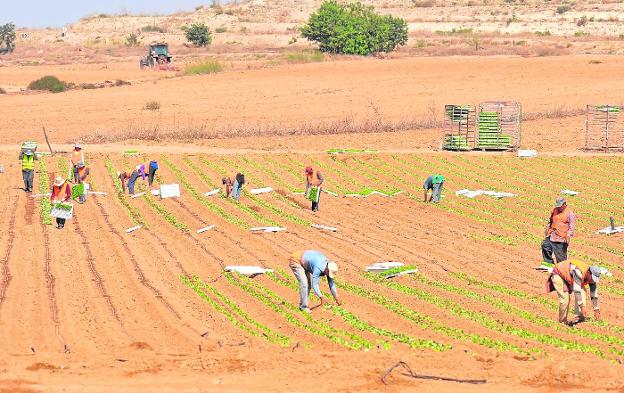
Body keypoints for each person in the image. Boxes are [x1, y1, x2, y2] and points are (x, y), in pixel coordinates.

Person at [546, 259, 601, 325]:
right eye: (592, 278)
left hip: (570, 276)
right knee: (565, 299)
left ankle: (579, 316)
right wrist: (582, 306)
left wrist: (596, 309)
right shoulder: (579, 272)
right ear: (589, 273)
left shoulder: (591, 278)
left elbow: (594, 294)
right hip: (559, 274)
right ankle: (562, 321)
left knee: (583, 291)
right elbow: (577, 291)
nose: (592, 280)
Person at [542, 197, 576, 266]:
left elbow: (571, 227)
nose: (558, 208)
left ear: (564, 204)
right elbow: (551, 220)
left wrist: (568, 236)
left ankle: (562, 270)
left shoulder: (570, 214)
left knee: (561, 259)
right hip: (552, 235)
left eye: (560, 206)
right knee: (545, 245)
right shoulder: (554, 210)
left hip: (561, 238)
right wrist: (548, 227)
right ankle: (549, 264)